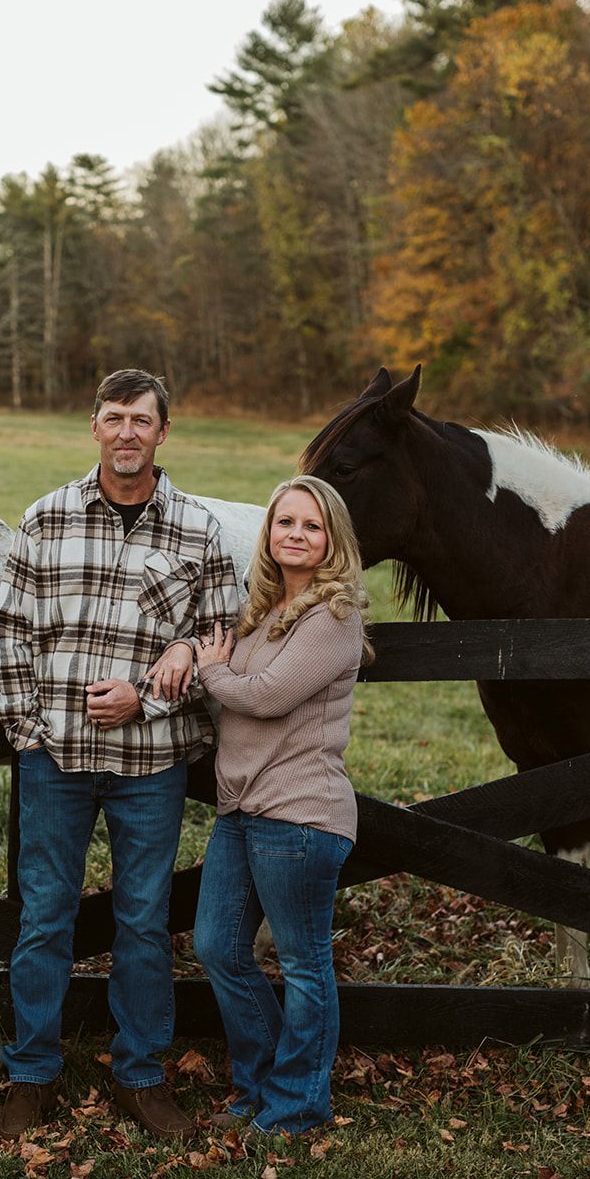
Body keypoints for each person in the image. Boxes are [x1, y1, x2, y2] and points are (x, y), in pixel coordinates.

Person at [0, 369, 238, 1141]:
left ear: (163, 433)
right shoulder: (44, 518)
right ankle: (31, 1074)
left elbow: (221, 649)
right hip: (54, 760)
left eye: (141, 419)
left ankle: (139, 1073)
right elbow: (10, 637)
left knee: (141, 921)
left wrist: (151, 695)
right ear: (93, 428)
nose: (126, 431)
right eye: (112, 418)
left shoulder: (198, 531)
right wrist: (28, 733)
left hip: (153, 765)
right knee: (43, 918)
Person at [187, 474, 372, 1137]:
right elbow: (226, 664)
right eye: (284, 522)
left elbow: (262, 694)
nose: (295, 534)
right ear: (268, 533)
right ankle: (262, 1082)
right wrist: (201, 655)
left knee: (302, 963)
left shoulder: (334, 615)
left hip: (299, 812)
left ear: (332, 541)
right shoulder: (265, 611)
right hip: (241, 810)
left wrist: (212, 670)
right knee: (216, 947)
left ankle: (297, 1105)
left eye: (311, 526)